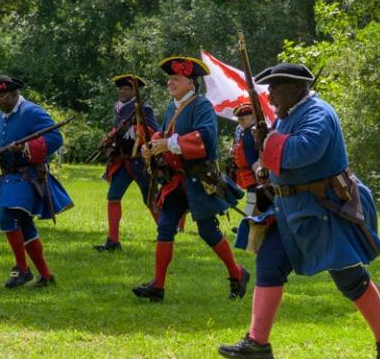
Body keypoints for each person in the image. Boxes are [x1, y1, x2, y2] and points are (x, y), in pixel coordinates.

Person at [218, 63, 380, 359]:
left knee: (349, 279)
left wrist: (269, 144)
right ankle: (257, 342)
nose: (271, 97)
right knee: (268, 264)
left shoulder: (319, 113)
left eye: (275, 90)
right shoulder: (289, 115)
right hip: (288, 210)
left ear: (294, 89)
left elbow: (305, 150)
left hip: (324, 209)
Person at [133, 56, 249, 302]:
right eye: (169, 79)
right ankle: (158, 285)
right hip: (177, 181)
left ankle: (237, 273)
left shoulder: (202, 105)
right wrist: (153, 146)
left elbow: (204, 138)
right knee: (165, 227)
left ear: (190, 83)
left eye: (176, 79)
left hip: (199, 180)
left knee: (208, 231)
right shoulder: (171, 108)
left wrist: (167, 143)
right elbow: (164, 134)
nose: (170, 83)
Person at [0, 75, 74, 288]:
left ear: (14, 93)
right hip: (8, 177)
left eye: (3, 96)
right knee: (24, 225)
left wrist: (27, 147)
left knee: (6, 216)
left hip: (28, 176)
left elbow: (55, 138)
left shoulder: (32, 111)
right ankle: (46, 275)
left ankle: (22, 269)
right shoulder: (0, 117)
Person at [94, 74, 160, 251]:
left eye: (126, 88)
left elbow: (155, 130)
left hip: (139, 160)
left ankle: (165, 234)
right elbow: (117, 129)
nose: (122, 91)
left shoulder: (143, 108)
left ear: (134, 91)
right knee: (113, 196)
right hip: (122, 160)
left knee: (150, 198)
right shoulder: (118, 108)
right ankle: (113, 241)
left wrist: (135, 130)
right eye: (120, 89)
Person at [230, 102, 260, 217]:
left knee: (253, 198)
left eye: (243, 119)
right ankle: (249, 221)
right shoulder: (241, 130)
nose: (240, 122)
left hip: (256, 171)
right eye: (239, 119)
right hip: (246, 172)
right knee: (251, 198)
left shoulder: (256, 130)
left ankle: (250, 221)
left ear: (252, 116)